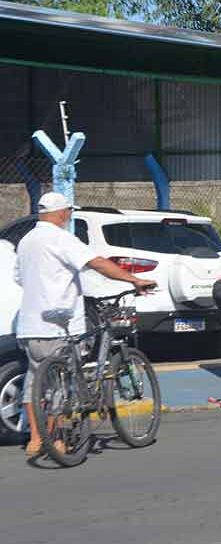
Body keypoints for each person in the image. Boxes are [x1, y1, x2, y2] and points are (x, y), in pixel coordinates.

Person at [16, 192, 156, 457]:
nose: (69, 216)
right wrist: (133, 280)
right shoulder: (61, 238)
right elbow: (98, 263)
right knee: (61, 382)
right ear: (61, 212)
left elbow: (20, 277)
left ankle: (35, 440)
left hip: (31, 324)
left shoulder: (26, 241)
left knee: (35, 381)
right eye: (68, 212)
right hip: (60, 324)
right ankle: (56, 439)